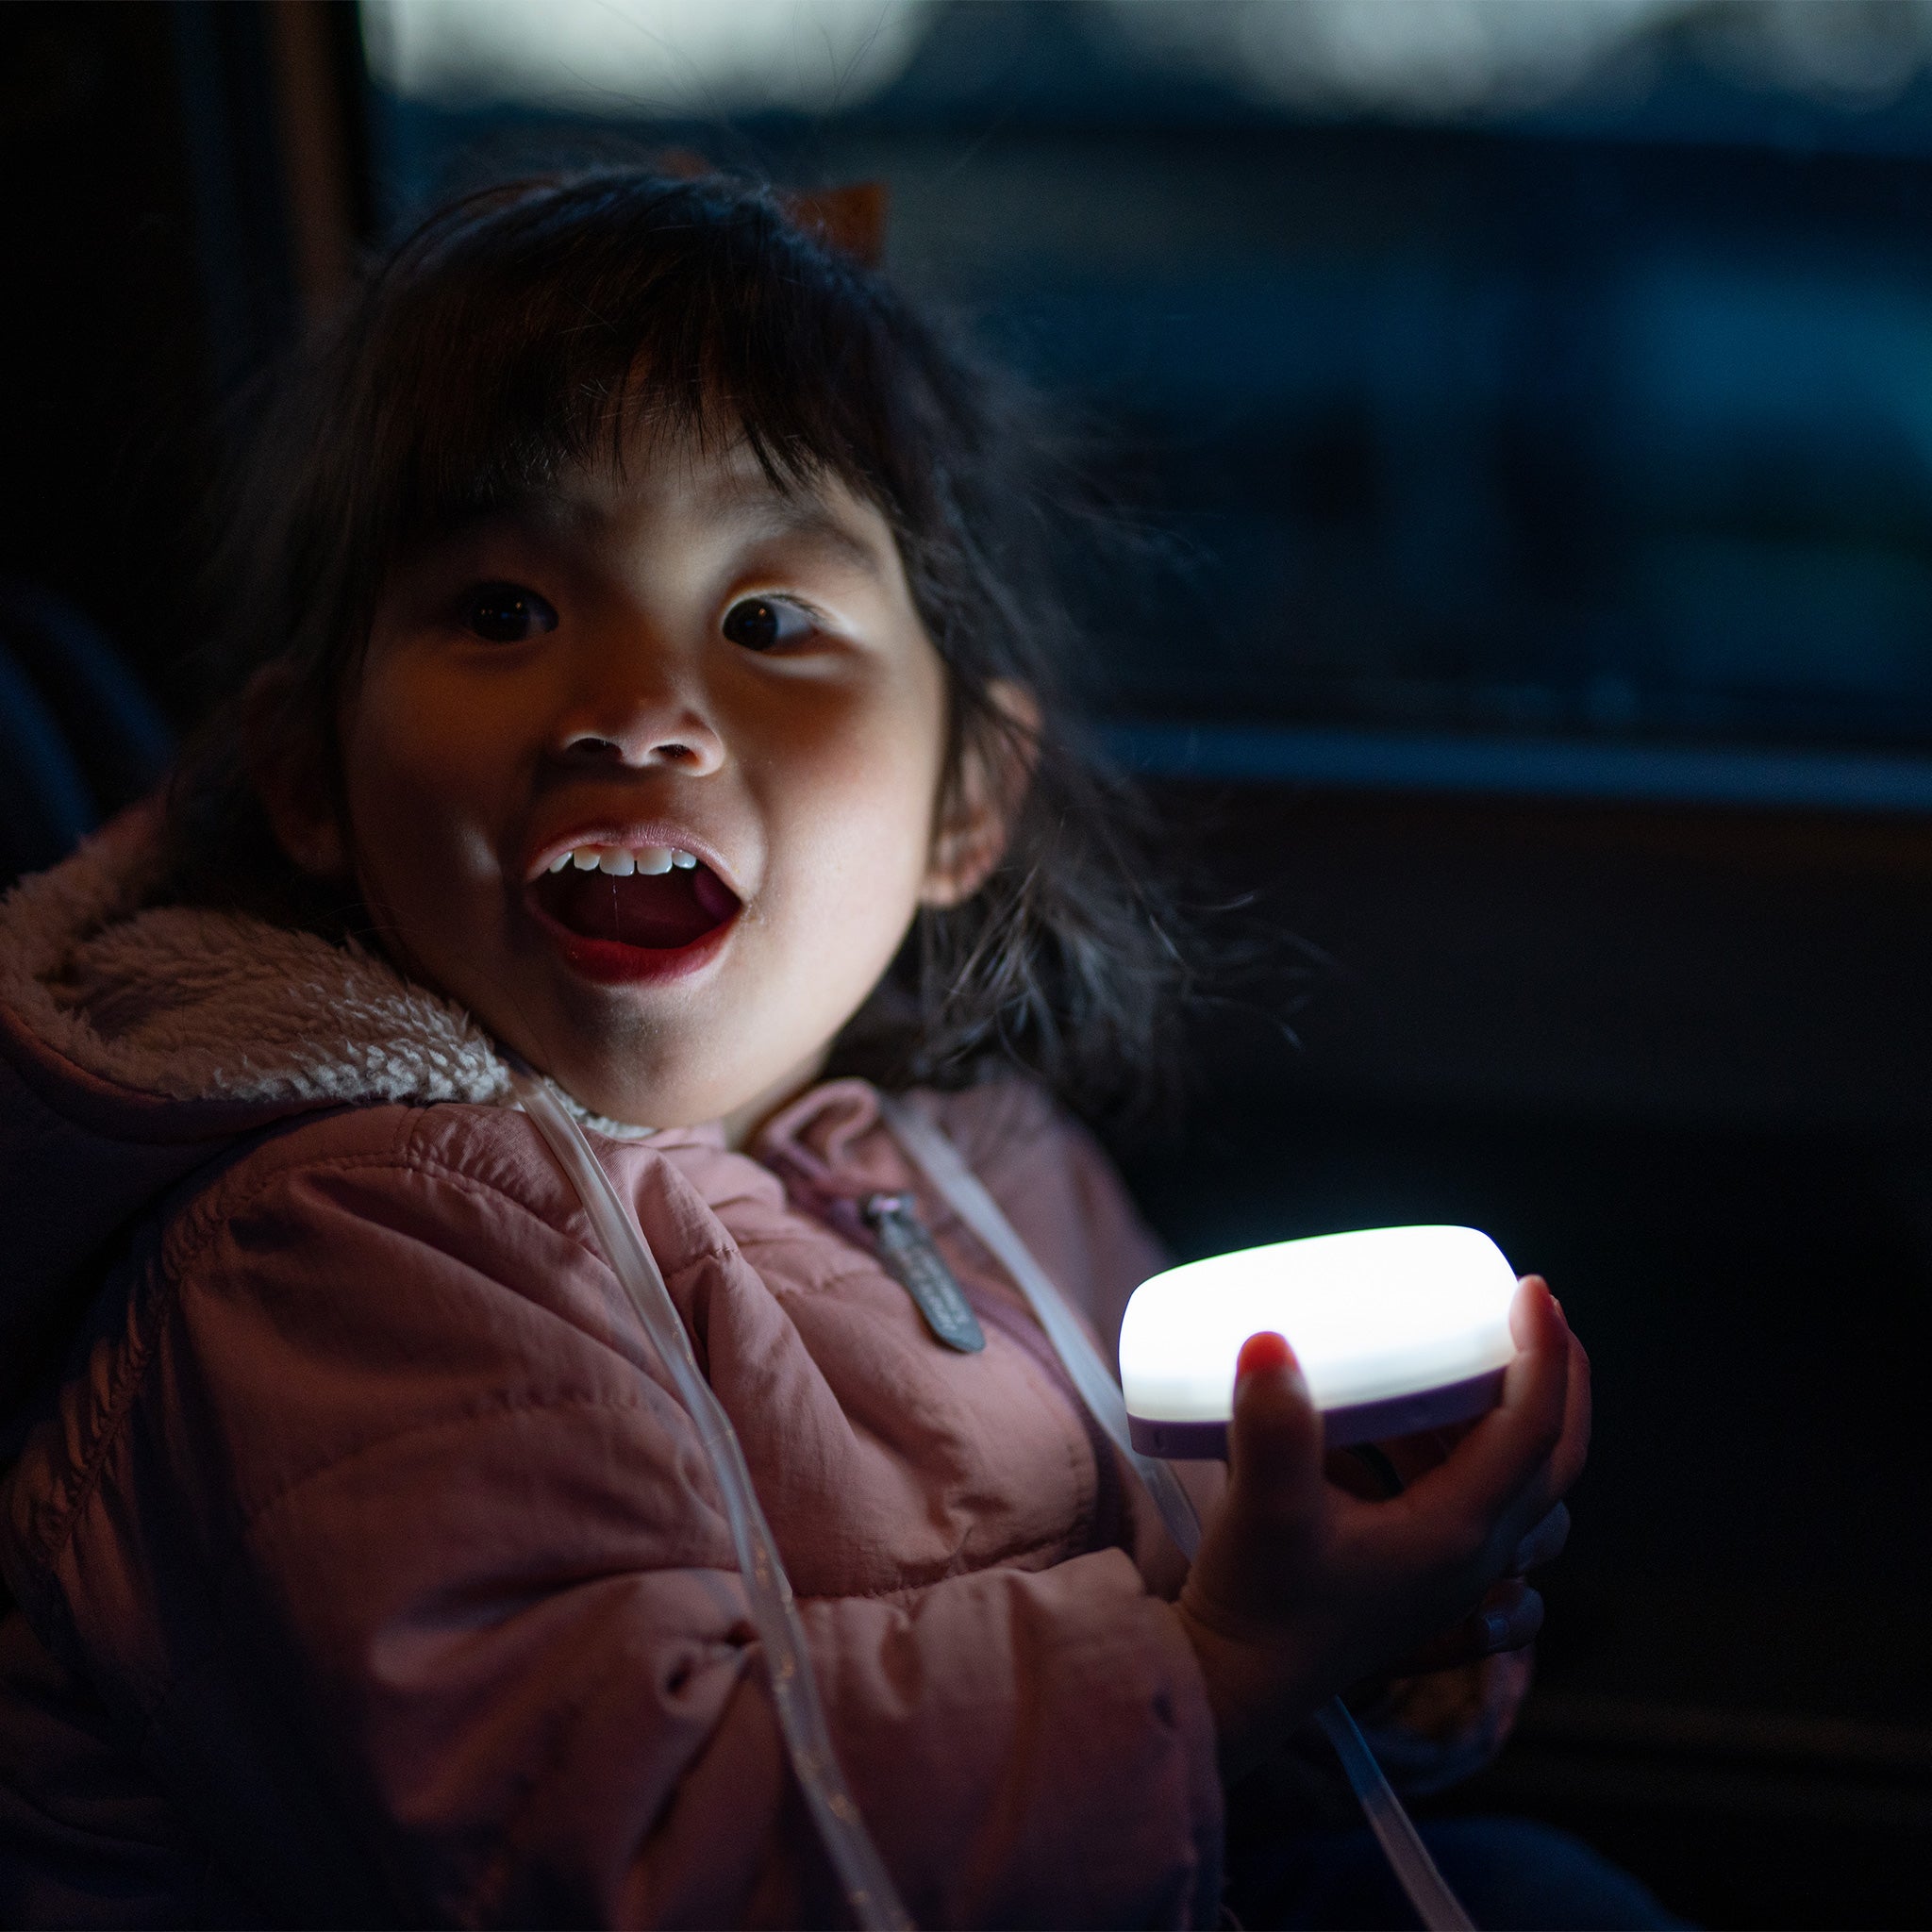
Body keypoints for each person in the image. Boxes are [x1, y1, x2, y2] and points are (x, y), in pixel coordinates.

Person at [0, 168, 1613, 1928]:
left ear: (965, 802)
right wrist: (1219, 1663)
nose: (636, 714)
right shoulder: (331, 1256)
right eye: (506, 611)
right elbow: (633, 1854)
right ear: (309, 774)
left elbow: (1183, 1719)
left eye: (768, 622)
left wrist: (1358, 1629)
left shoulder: (993, 1174)